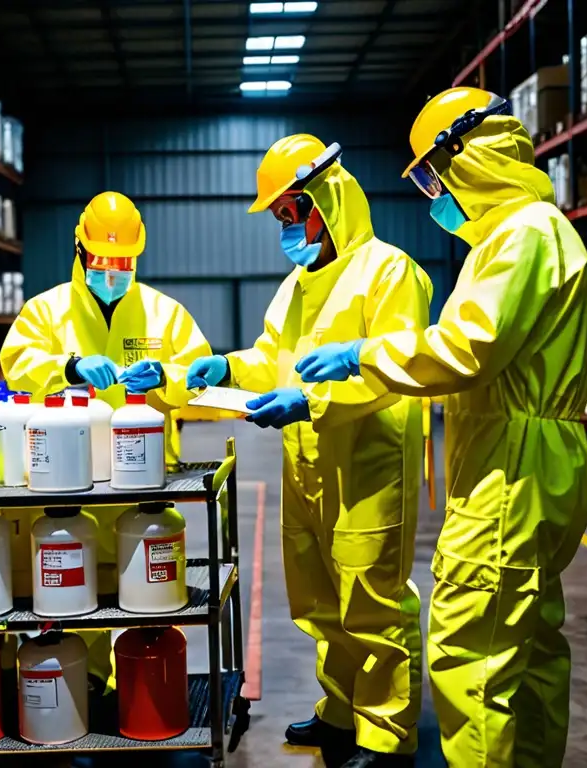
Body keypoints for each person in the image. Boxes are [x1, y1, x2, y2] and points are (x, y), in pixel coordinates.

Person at [295, 88, 587, 768]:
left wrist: (363, 353)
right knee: (532, 641)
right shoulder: (539, 229)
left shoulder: (521, 235)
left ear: (470, 157)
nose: (436, 194)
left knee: (470, 652)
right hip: (544, 457)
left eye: (434, 173)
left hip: (510, 467)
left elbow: (467, 347)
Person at [187, 134, 432, 768]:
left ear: (325, 201)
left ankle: (384, 734)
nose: (284, 228)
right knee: (322, 603)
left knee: (372, 603)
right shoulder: (298, 284)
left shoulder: (390, 271)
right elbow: (274, 358)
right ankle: (341, 713)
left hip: (367, 464)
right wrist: (227, 367)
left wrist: (311, 403)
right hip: (306, 461)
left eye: (290, 213)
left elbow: (393, 371)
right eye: (278, 218)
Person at [0, 190, 212, 690]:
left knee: (149, 584)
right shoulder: (45, 312)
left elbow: (198, 375)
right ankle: (89, 681)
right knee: (77, 581)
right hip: (70, 479)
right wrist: (66, 367)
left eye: (124, 264)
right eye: (102, 264)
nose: (112, 275)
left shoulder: (165, 313)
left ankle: (147, 677)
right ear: (80, 252)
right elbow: (16, 366)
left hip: (147, 478)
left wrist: (165, 375)